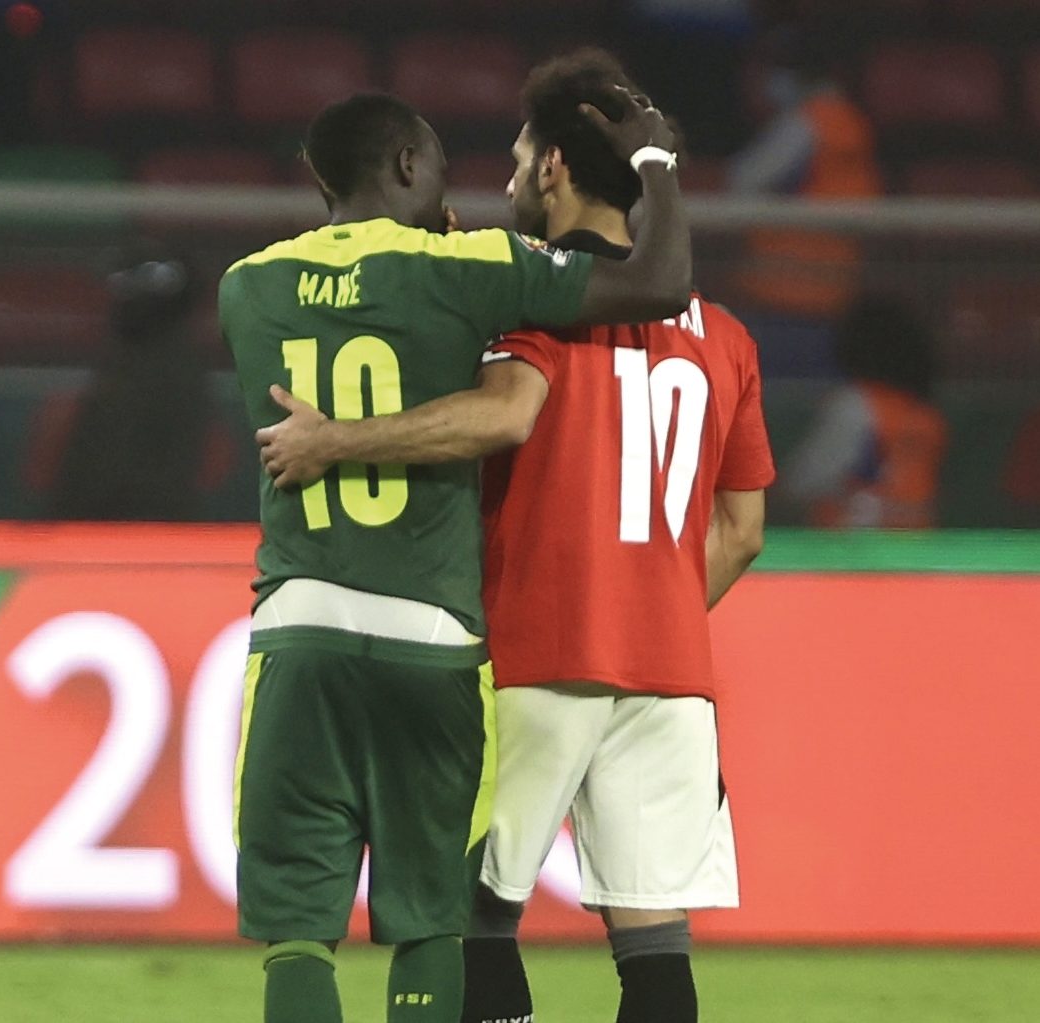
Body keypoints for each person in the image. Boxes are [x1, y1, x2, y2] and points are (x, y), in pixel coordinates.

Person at [251, 52, 775, 1023]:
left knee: (470, 919)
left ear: (552, 171)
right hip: (668, 674)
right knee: (653, 944)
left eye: (515, 161)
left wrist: (334, 441)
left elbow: (501, 418)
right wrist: (645, 607)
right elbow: (740, 531)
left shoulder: (526, 306)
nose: (498, 184)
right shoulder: (728, 337)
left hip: (532, 659)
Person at [28, 242, 230, 521]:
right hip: (95, 529)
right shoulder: (116, 370)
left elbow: (213, 462)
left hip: (149, 533)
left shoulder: (181, 374)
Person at [727, 28, 882, 318]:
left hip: (783, 289)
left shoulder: (806, 124)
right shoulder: (852, 122)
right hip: (835, 289)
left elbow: (743, 179)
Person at [778, 295, 946, 528]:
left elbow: (803, 482)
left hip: (853, 548)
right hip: (916, 550)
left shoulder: (855, 405)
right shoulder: (927, 415)